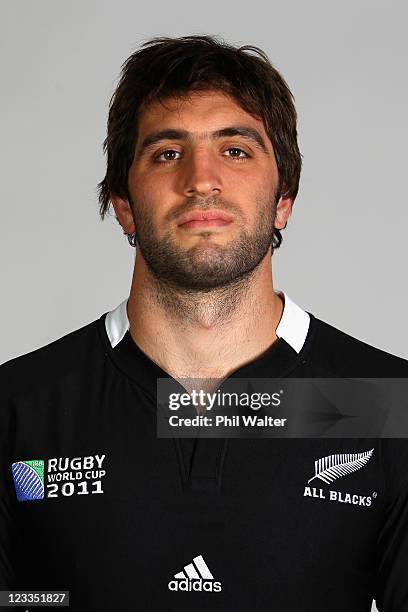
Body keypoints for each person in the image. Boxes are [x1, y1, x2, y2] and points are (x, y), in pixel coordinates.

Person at [1, 34, 407, 612]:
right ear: (122, 203)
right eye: (167, 152)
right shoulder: (20, 412)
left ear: (283, 199)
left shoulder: (386, 405)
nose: (201, 179)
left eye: (235, 151)